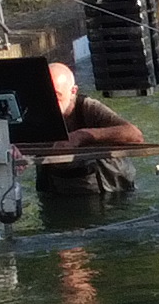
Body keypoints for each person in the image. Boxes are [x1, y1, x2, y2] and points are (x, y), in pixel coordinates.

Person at [39, 60, 150, 202]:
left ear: (73, 91)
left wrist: (83, 136)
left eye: (57, 96)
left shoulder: (88, 109)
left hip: (109, 195)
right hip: (56, 193)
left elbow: (135, 135)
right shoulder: (38, 112)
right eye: (45, 95)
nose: (51, 103)